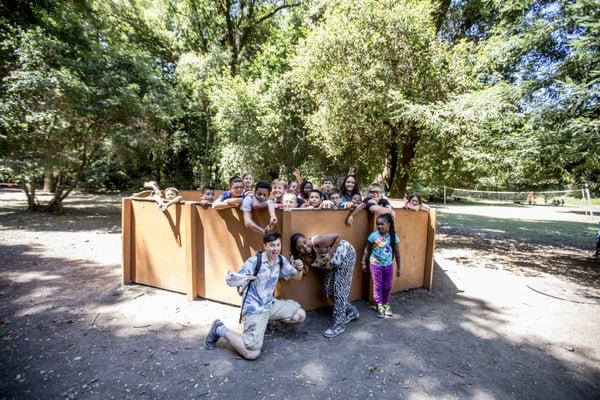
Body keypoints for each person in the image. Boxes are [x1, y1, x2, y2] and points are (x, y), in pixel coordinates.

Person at [204, 232, 306, 360]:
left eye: (278, 245)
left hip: (269, 305)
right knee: (252, 353)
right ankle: (219, 329)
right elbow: (233, 281)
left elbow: (296, 276)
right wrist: (239, 279)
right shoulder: (254, 262)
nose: (275, 249)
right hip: (254, 309)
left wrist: (300, 268)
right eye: (272, 245)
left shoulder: (280, 260)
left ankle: (265, 324)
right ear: (265, 245)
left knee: (300, 315)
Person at [290, 232, 359, 338]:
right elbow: (305, 272)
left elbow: (338, 236)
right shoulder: (303, 257)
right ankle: (351, 311)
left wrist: (330, 253)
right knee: (329, 290)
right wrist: (295, 266)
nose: (305, 247)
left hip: (345, 255)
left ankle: (339, 324)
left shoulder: (318, 241)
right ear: (298, 250)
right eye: (300, 247)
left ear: (307, 239)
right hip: (331, 265)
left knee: (339, 290)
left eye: (305, 242)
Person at [361, 214, 401, 318]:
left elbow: (397, 253)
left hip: (388, 265)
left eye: (382, 224)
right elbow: (367, 249)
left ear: (388, 225)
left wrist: (399, 268)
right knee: (378, 286)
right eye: (377, 224)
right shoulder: (373, 236)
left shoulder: (393, 237)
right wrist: (363, 262)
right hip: (375, 265)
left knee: (387, 286)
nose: (379, 226)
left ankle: (386, 304)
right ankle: (379, 305)